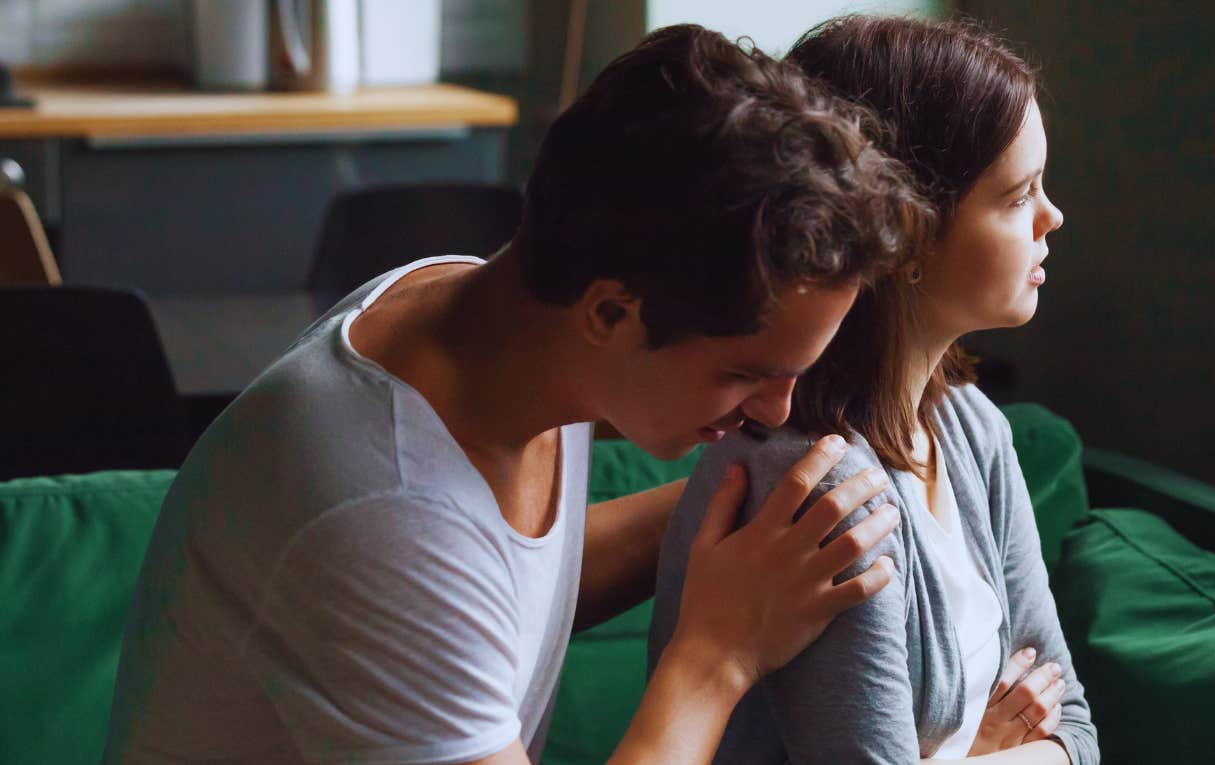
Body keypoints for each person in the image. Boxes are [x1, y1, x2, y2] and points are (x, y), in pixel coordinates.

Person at [101, 24, 929, 765]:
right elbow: (423, 556)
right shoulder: (373, 507)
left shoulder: (492, 319)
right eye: (747, 373)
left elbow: (491, 581)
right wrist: (719, 653)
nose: (777, 412)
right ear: (610, 310)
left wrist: (744, 512)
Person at [650, 14, 1099, 765]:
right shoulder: (823, 491)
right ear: (911, 232)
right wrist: (989, 748)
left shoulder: (974, 431)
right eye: (1019, 195)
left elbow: (1078, 733)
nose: (1053, 216)